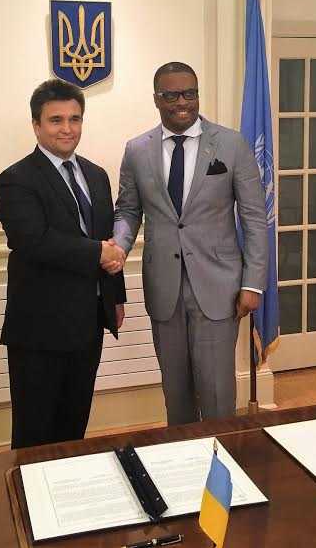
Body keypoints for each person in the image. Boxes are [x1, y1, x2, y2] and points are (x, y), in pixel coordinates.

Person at [113, 62, 267, 425]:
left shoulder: (231, 144)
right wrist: (118, 246)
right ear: (156, 99)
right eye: (172, 95)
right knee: (176, 394)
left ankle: (221, 455)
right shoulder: (137, 150)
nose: (182, 102)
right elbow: (128, 210)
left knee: (217, 393)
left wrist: (253, 283)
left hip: (219, 287)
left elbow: (254, 218)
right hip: (163, 287)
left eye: (190, 93)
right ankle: (180, 456)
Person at [0, 79, 126, 448]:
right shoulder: (16, 179)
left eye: (75, 119)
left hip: (88, 323)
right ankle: (29, 488)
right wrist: (97, 253)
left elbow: (106, 239)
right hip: (40, 329)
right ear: (36, 125)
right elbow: (32, 241)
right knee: (35, 432)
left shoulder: (96, 175)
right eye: (56, 120)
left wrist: (115, 298)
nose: (67, 128)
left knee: (74, 425)